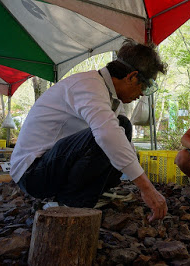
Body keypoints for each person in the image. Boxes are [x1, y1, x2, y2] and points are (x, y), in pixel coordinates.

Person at [10, 39, 168, 222]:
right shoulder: (89, 86)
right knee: (113, 132)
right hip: (32, 173)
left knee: (122, 135)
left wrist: (141, 178)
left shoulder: (109, 95)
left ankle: (80, 197)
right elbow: (107, 135)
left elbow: (123, 146)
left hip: (50, 167)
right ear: (132, 76)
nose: (142, 94)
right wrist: (147, 189)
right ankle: (70, 203)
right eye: (145, 86)